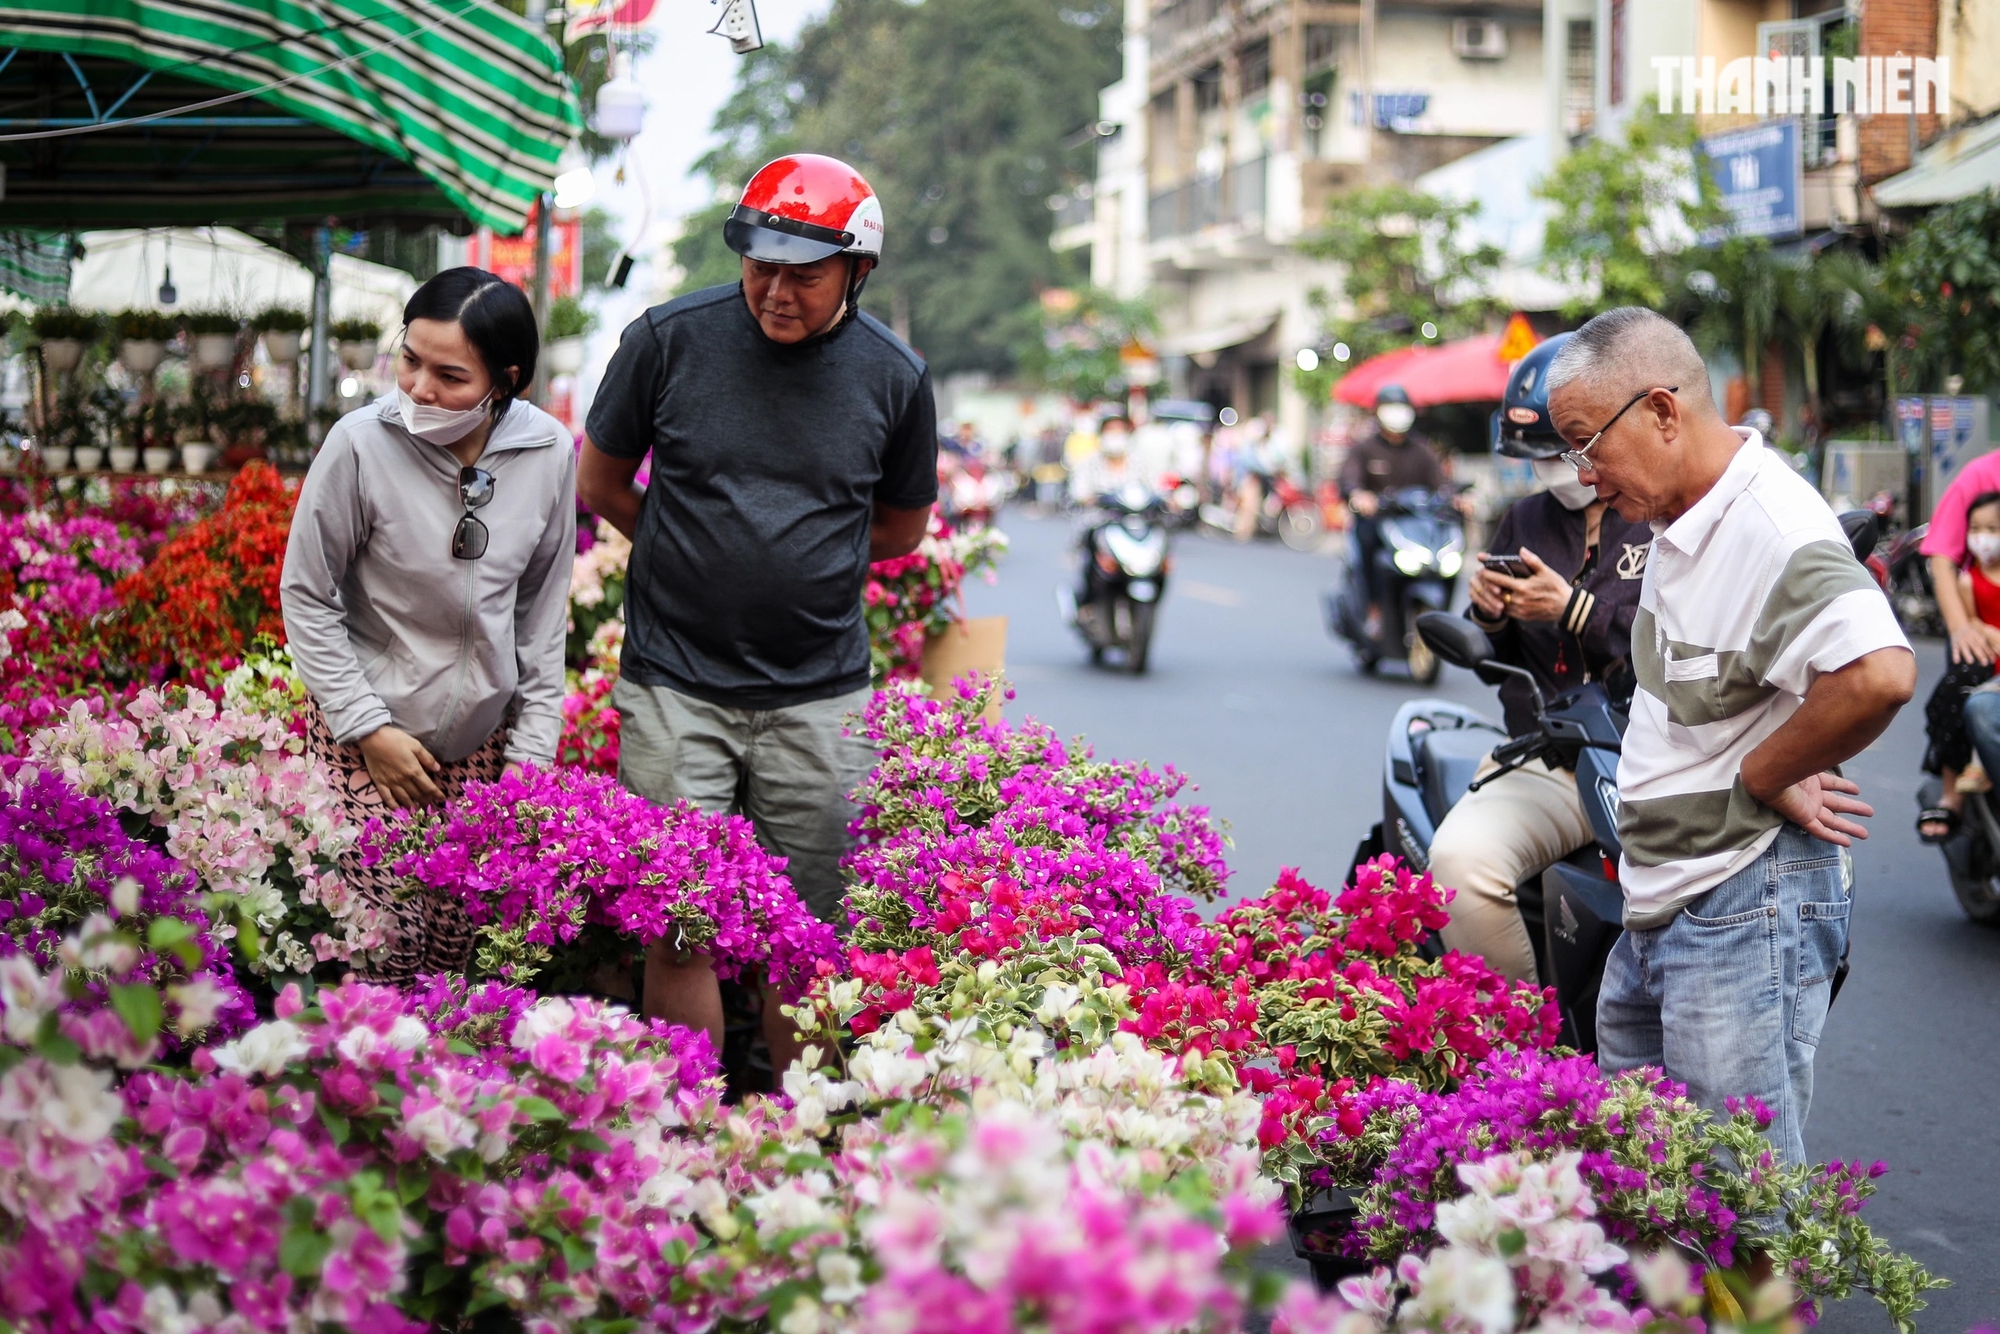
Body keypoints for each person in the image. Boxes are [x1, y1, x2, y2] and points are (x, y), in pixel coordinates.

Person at [576, 153, 937, 1061]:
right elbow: (602, 479)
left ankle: (790, 1137)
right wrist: (686, 550)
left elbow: (899, 527)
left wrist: (802, 566)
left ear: (857, 270)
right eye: (758, 265)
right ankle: (681, 1122)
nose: (775, 291)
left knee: (806, 937)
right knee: (679, 921)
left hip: (819, 694)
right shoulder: (667, 339)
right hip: (674, 685)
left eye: (803, 275)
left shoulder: (895, 377)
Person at [1546, 307, 1914, 1165]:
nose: (1587, 476)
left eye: (1586, 444)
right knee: (1651, 1186)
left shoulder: (1772, 526)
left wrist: (1763, 770)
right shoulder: (1680, 514)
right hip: (1665, 897)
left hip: (1737, 903)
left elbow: (1879, 673)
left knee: (1740, 1209)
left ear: (1662, 412)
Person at [282, 267, 574, 981]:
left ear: (507, 382)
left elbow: (540, 617)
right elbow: (307, 594)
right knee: (373, 958)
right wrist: (368, 729)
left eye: (450, 376)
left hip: (483, 758)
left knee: (465, 971)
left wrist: (528, 769)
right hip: (366, 747)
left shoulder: (549, 454)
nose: (418, 389)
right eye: (409, 359)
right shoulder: (359, 444)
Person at [1426, 333, 1651, 983]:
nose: (1558, 469)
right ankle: (1520, 1051)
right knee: (1461, 864)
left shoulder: (1663, 514)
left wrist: (1572, 609)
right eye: (1543, 456)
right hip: (1554, 756)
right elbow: (1490, 653)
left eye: (1567, 449)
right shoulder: (1523, 520)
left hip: (1648, 755)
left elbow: (1680, 645)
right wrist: (1492, 613)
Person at [1918, 490, 2000, 841]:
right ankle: (1952, 794)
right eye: (1976, 528)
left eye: (1992, 528)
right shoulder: (1968, 580)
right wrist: (1984, 631)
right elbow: (1968, 623)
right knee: (1951, 692)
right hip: (1988, 658)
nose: (1983, 537)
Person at [1340, 384, 1447, 630]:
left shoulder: (1421, 450)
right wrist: (1359, 496)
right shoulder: (1364, 449)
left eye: (1401, 408)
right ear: (1378, 412)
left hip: (1415, 523)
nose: (1397, 414)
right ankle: (1374, 609)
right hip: (1379, 522)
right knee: (1368, 545)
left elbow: (1442, 483)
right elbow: (1349, 480)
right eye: (1391, 408)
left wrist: (1459, 499)